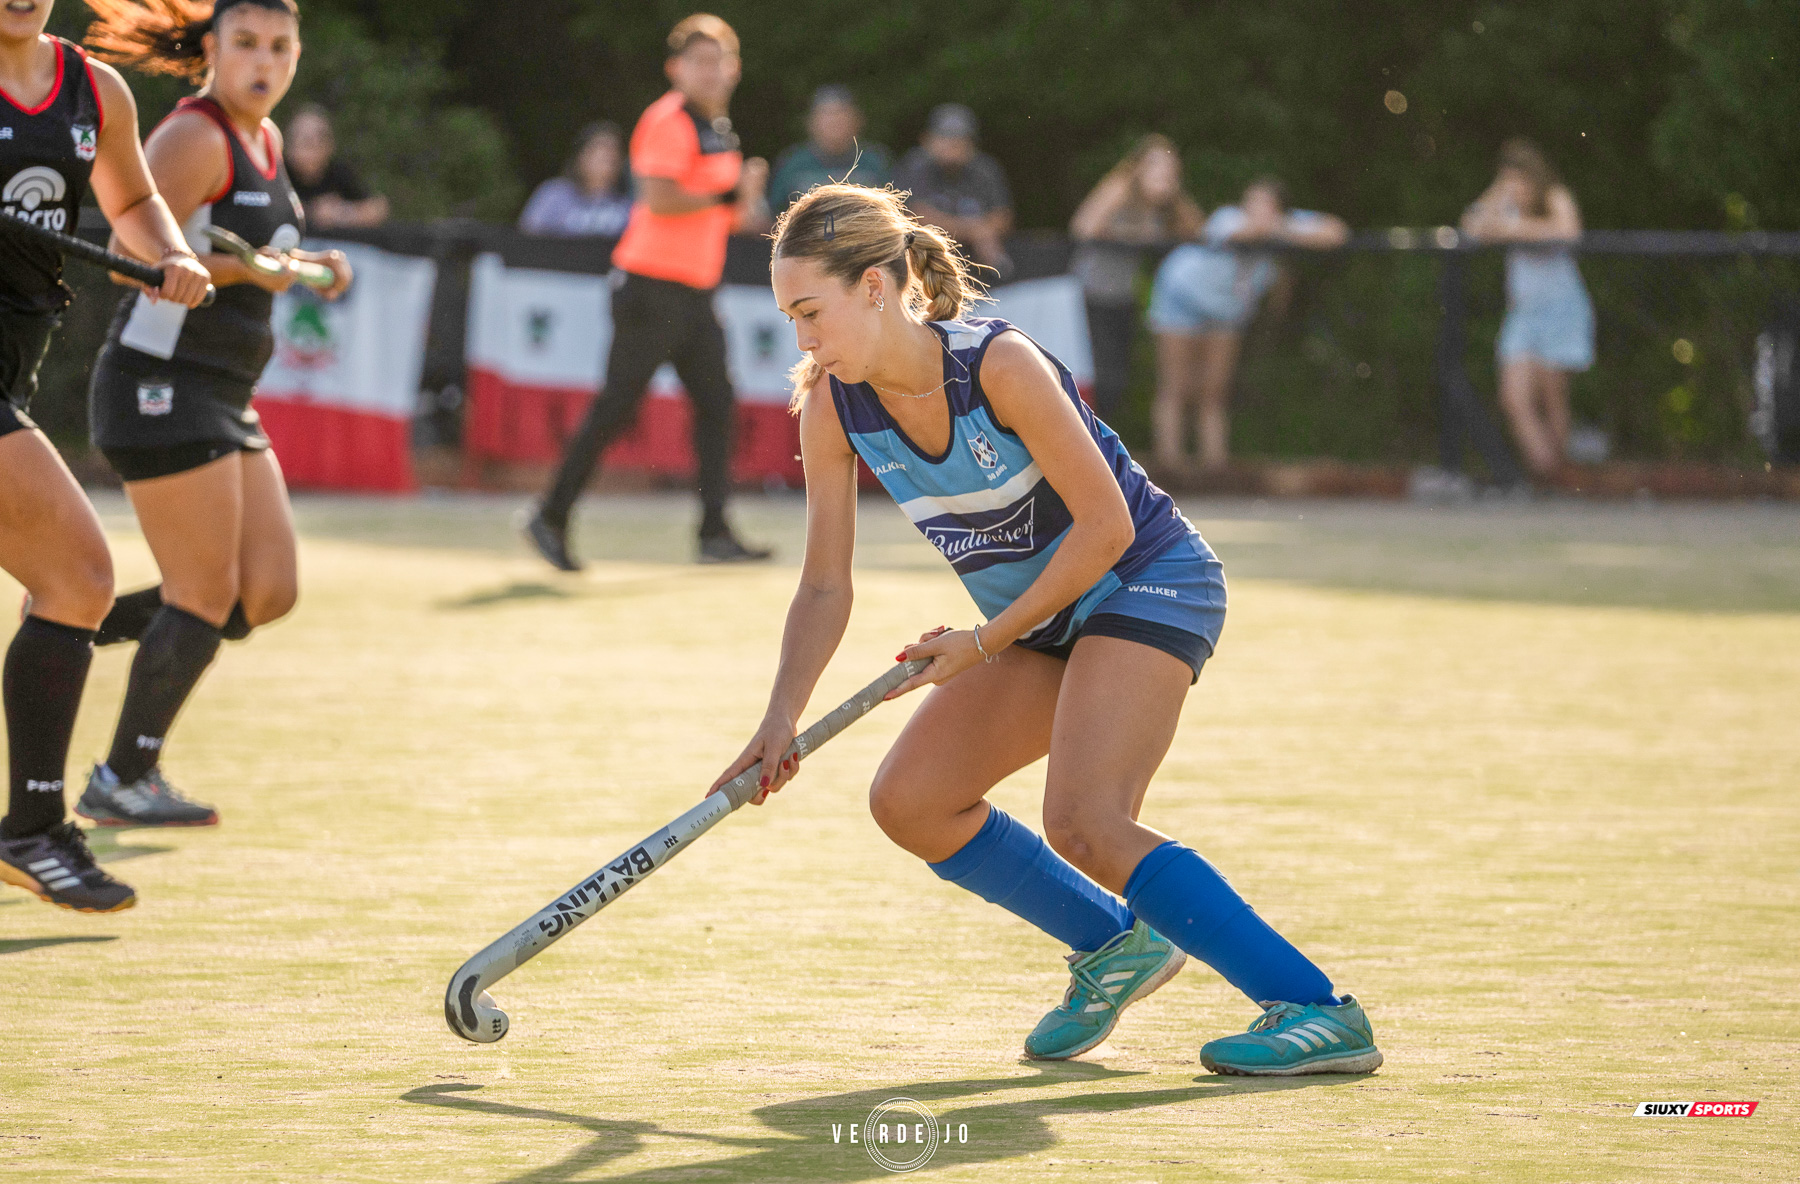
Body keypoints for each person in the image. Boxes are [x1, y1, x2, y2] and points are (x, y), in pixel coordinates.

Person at [713, 182, 1383, 1076]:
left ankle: (1314, 1008)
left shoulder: (998, 364)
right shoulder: (832, 405)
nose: (801, 339)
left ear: (876, 286)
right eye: (789, 316)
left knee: (1086, 819)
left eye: (810, 312)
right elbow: (825, 584)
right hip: (1041, 619)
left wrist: (983, 645)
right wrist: (779, 718)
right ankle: (1119, 947)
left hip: (1148, 581)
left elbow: (1105, 530)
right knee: (911, 800)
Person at [75, 0, 351, 828]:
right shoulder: (195, 135)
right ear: (211, 50)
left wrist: (304, 266)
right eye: (245, 44)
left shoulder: (264, 139)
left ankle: (71, 620)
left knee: (264, 591)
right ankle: (122, 779)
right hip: (159, 383)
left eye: (279, 47)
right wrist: (248, 275)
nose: (262, 62)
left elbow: (243, 249)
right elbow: (131, 262)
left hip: (224, 393)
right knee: (204, 593)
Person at [0, 0, 211, 911]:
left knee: (74, 583)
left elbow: (129, 196)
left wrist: (169, 250)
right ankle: (34, 829)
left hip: (12, 369)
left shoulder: (95, 90)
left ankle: (33, 829)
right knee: (81, 578)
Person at [523, 13, 772, 570]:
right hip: (652, 286)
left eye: (720, 61)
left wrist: (743, 204)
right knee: (616, 408)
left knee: (717, 407)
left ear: (734, 69)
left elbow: (718, 214)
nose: (711, 72)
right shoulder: (668, 119)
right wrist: (731, 194)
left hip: (695, 291)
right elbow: (660, 199)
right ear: (675, 69)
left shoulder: (719, 127)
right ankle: (550, 515)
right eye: (699, 61)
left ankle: (714, 532)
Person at [1147, 178, 1347, 472]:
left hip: (1225, 314)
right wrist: (1286, 231)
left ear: (1278, 208)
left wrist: (1286, 228)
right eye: (1250, 202)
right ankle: (1169, 470)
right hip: (1181, 298)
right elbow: (1247, 234)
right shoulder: (1227, 219)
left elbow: (1336, 233)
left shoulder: (1285, 225)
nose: (1254, 210)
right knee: (1176, 387)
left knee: (1214, 392)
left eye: (1263, 203)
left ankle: (1213, 471)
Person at [1460, 138, 1593, 480]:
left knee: (1552, 395)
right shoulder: (1506, 207)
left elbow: (1568, 230)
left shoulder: (1554, 197)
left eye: (1519, 181)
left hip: (1561, 309)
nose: (1515, 189)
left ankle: (1556, 476)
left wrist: (1514, 229)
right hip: (1523, 313)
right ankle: (1544, 469)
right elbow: (1471, 228)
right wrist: (1495, 196)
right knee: (1513, 396)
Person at [1069, 134, 1203, 419]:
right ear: (1139, 166)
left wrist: (1175, 196)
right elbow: (1083, 227)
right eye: (1156, 166)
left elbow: (1198, 232)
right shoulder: (1119, 187)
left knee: (1118, 375)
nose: (1162, 175)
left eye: (1169, 169)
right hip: (1092, 292)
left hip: (1123, 295)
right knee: (1097, 374)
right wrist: (1131, 235)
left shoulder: (1161, 204)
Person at [892, 103, 1013, 276]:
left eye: (960, 139)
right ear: (927, 140)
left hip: (978, 265)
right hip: (925, 263)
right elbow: (914, 216)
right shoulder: (914, 167)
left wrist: (980, 231)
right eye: (946, 138)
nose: (953, 145)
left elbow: (1003, 216)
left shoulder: (985, 169)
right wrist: (974, 231)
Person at [766, 84, 889, 214]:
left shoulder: (876, 160)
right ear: (810, 122)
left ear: (857, 120)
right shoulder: (792, 162)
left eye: (840, 113)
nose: (834, 121)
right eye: (826, 114)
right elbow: (773, 216)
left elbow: (897, 212)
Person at [518, 121, 633, 238]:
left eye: (613, 151)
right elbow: (529, 238)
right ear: (581, 156)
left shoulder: (628, 205)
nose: (608, 156)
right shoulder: (554, 195)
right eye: (599, 150)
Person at [282, 101, 387, 229]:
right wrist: (311, 212)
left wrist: (342, 212)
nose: (315, 147)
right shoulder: (279, 173)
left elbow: (377, 207)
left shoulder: (338, 171)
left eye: (321, 138)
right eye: (306, 141)